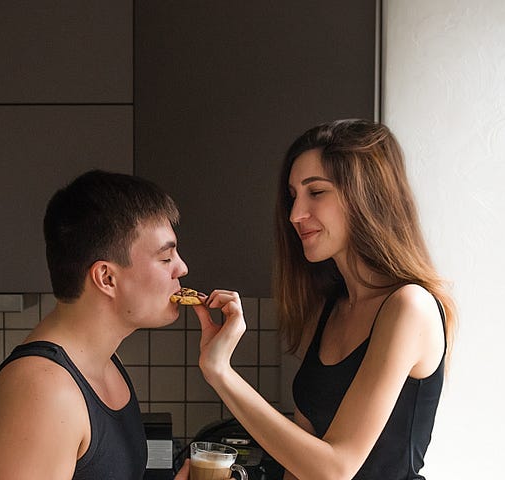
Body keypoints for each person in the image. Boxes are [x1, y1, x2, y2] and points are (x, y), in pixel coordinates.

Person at [181, 119, 457, 479]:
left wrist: (220, 372)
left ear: (366, 195)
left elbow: (335, 469)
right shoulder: (329, 308)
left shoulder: (409, 307)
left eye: (317, 192)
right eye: (293, 196)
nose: (295, 215)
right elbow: (300, 463)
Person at [0, 170, 191, 479]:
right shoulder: (45, 393)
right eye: (166, 258)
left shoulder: (102, 364)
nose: (182, 267)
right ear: (107, 278)